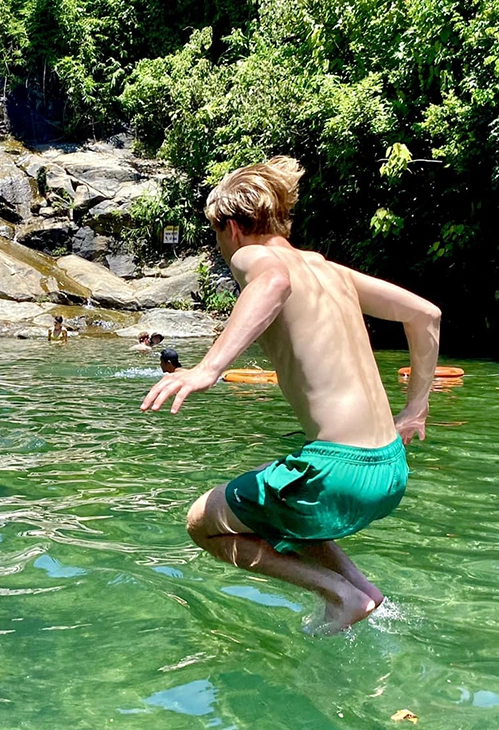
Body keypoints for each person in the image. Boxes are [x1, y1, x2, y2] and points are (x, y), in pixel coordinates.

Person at [141, 157, 441, 634]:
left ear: (233, 227)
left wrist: (208, 369)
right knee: (277, 507)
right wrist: (415, 407)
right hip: (390, 468)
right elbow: (426, 314)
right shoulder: (331, 271)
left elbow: (274, 283)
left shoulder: (254, 257)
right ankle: (362, 592)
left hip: (337, 469)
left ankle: (339, 595)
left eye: (216, 237)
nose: (221, 249)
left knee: (203, 522)